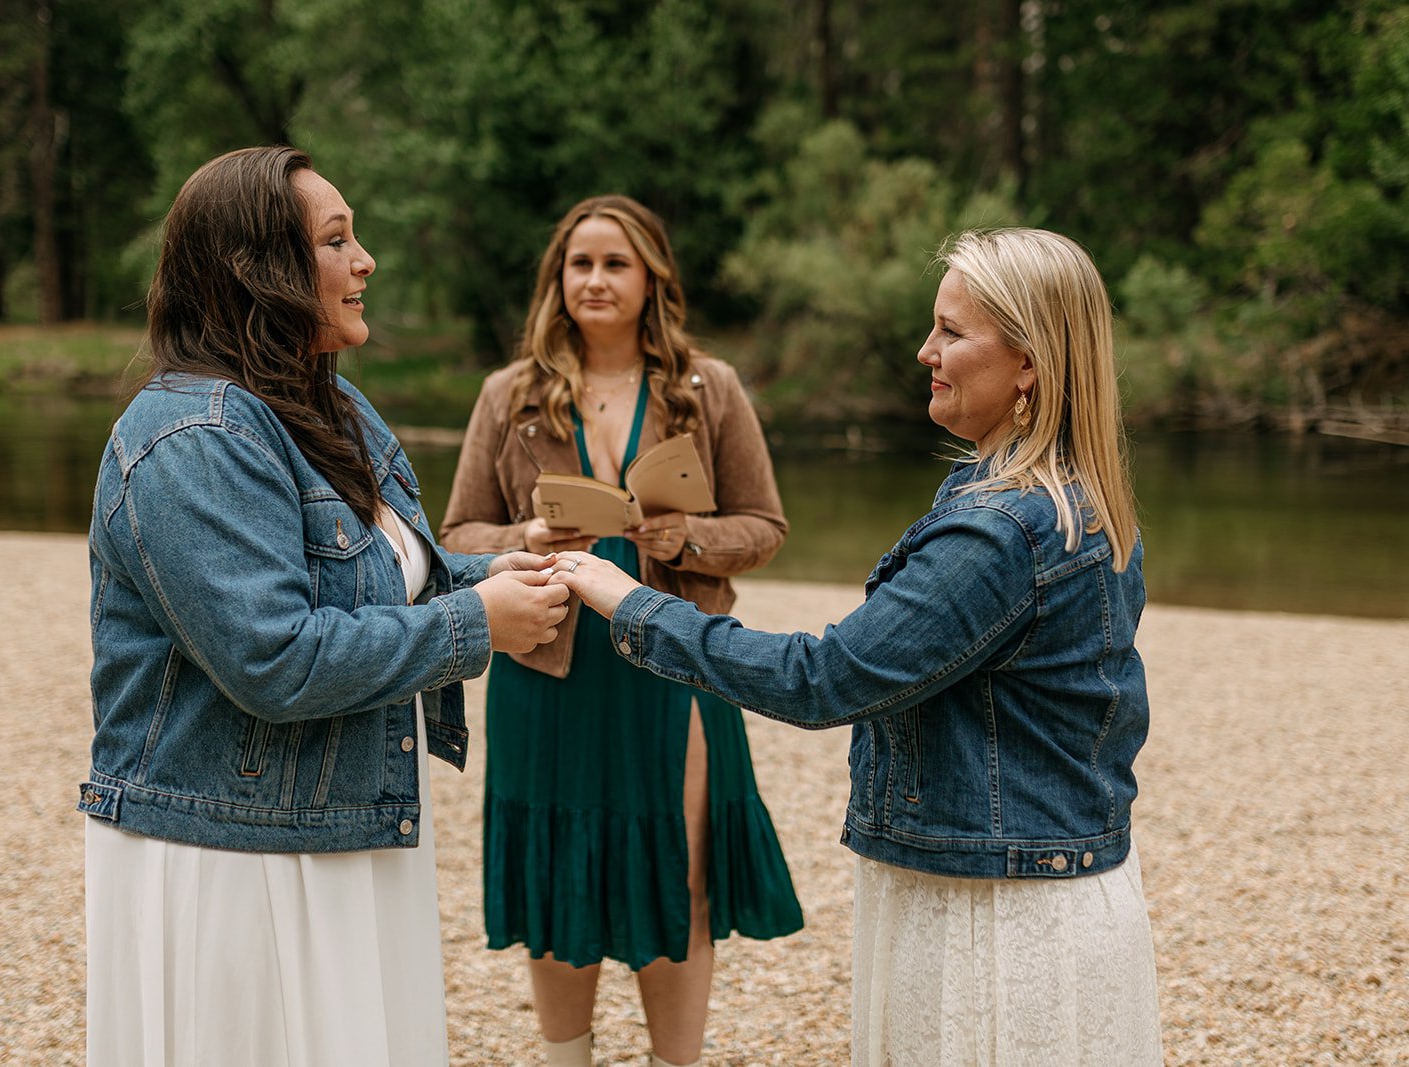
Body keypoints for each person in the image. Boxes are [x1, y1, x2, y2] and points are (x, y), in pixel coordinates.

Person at [552, 228, 1164, 1064]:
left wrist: (629, 603)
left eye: (952, 331)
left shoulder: (1000, 533)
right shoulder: (1075, 497)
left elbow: (823, 679)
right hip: (1052, 884)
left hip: (996, 915)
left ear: (1029, 361)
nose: (926, 351)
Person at [79, 145, 570, 1067]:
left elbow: (388, 582)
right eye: (337, 240)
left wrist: (508, 570)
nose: (366, 261)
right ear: (257, 271)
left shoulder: (336, 408)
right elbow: (274, 658)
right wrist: (479, 626)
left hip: (348, 827)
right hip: (229, 852)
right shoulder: (187, 435)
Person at [440, 195, 804, 1067]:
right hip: (549, 666)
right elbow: (453, 536)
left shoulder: (706, 389)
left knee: (679, 868)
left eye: (615, 264)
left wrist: (690, 538)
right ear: (557, 280)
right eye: (580, 263)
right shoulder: (509, 393)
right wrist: (525, 540)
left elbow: (765, 524)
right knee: (562, 864)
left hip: (675, 660)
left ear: (652, 280)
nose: (596, 279)